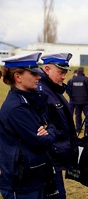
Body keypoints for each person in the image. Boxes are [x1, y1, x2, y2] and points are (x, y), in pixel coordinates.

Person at [0, 53, 56, 199]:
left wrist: (49, 129)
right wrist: (50, 130)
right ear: (18, 77)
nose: (39, 77)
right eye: (33, 73)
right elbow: (40, 142)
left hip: (34, 175)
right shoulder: (17, 108)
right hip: (22, 182)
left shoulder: (29, 100)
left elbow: (50, 124)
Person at [38, 53, 78, 199]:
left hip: (57, 156)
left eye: (65, 73)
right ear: (47, 69)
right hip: (50, 159)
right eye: (60, 72)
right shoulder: (42, 93)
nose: (63, 77)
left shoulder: (53, 90)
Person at [71, 67, 88, 133]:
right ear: (83, 71)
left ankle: (78, 128)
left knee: (78, 115)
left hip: (76, 100)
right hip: (84, 101)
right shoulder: (85, 79)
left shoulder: (73, 79)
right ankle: (87, 129)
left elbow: (70, 89)